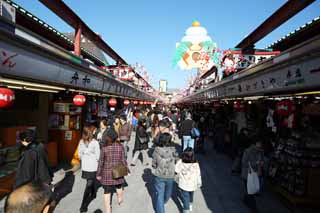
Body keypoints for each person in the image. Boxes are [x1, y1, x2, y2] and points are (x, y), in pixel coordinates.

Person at [97, 128, 127, 213]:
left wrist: (98, 174)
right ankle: (120, 198)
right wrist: (126, 169)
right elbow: (123, 160)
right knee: (118, 186)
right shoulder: (120, 147)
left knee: (107, 191)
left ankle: (108, 210)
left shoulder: (104, 148)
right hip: (118, 170)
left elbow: (101, 162)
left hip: (107, 172)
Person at [152, 132, 178, 213]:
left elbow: (154, 164)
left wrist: (156, 165)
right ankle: (162, 204)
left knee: (160, 195)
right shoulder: (173, 150)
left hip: (159, 175)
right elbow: (177, 161)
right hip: (170, 175)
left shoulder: (156, 150)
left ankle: (160, 206)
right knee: (168, 193)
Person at [78, 126, 101, 213]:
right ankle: (93, 192)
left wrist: (86, 154)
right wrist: (87, 154)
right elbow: (79, 155)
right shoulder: (82, 142)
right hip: (86, 167)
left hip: (92, 167)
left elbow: (98, 156)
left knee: (89, 184)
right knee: (89, 182)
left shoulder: (95, 143)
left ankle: (83, 206)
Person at [241, 138, 264, 213]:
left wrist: (261, 165)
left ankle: (245, 200)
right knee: (251, 192)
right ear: (254, 144)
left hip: (255, 174)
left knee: (249, 190)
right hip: (247, 174)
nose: (260, 145)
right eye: (258, 143)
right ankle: (254, 209)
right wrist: (256, 163)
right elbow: (244, 163)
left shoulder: (260, 152)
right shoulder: (248, 151)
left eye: (260, 144)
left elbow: (261, 161)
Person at [175, 147, 202, 213]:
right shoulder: (196, 163)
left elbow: (176, 170)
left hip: (184, 184)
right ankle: (190, 205)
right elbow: (198, 174)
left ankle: (186, 210)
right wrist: (199, 182)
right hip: (193, 184)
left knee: (185, 197)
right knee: (191, 194)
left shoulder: (180, 162)